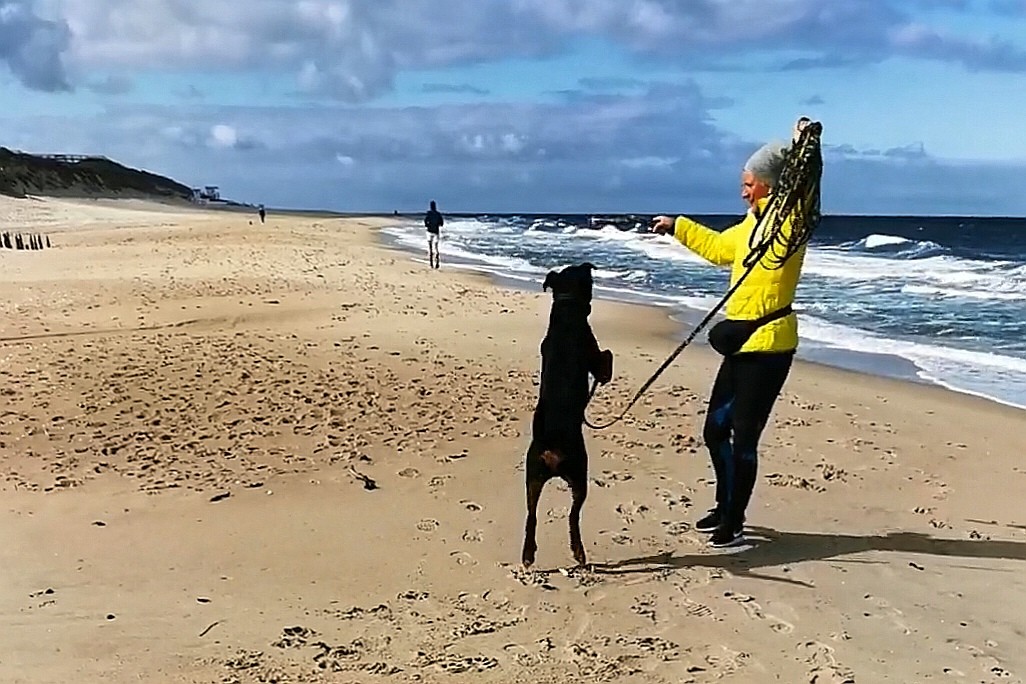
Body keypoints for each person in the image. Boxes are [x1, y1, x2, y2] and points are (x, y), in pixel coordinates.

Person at [651, 120, 811, 548]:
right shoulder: (749, 227)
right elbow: (721, 249)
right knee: (714, 431)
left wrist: (801, 146)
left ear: (767, 185)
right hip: (740, 344)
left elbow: (803, 187)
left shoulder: (787, 225)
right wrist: (677, 226)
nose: (742, 190)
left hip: (770, 345)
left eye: (748, 183)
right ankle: (725, 505)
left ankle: (735, 521)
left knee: (744, 435)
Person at [424, 200, 444, 269]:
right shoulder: (438, 214)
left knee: (430, 247)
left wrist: (427, 225)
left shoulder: (429, 213)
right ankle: (437, 261)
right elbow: (441, 223)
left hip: (429, 231)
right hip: (436, 232)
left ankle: (431, 264)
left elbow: (425, 221)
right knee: (436, 247)